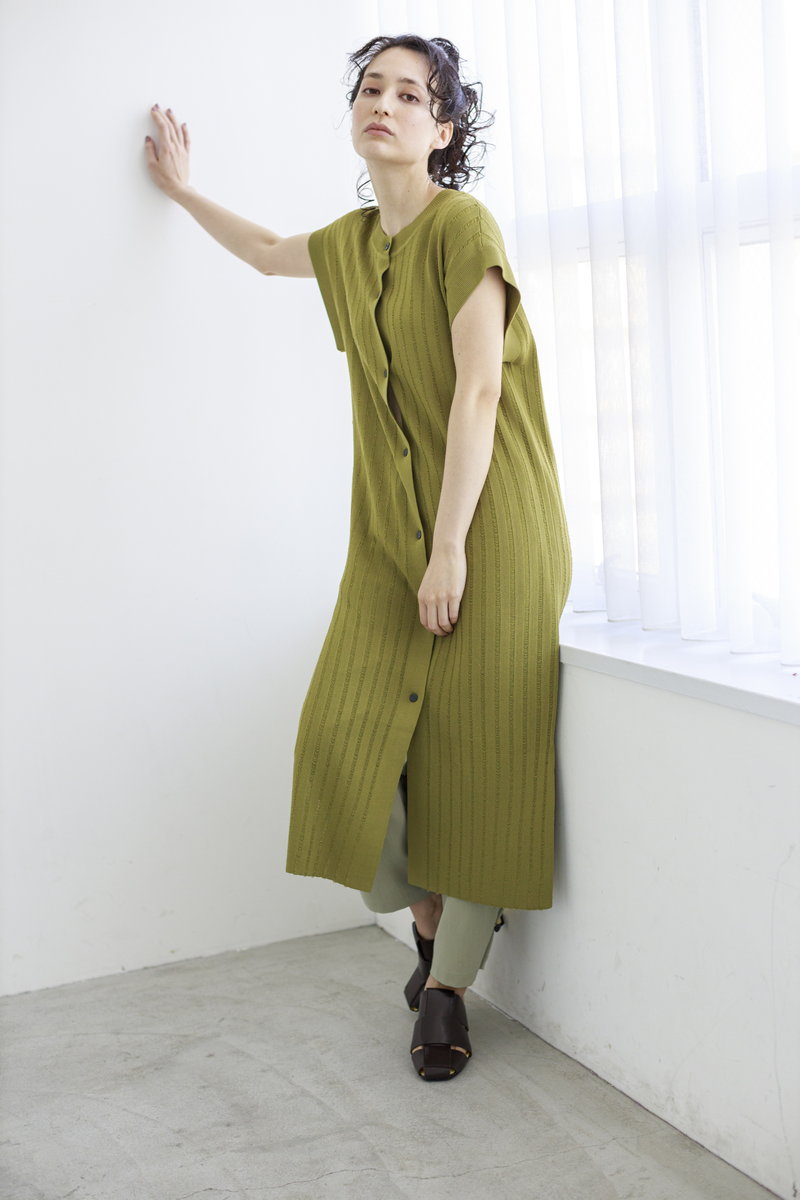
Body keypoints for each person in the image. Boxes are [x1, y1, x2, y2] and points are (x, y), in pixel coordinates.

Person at [145, 33, 572, 1083]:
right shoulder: (351, 242)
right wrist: (184, 192)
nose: (384, 103)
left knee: (481, 756)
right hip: (391, 536)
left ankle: (446, 991)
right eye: (370, 88)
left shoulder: (462, 226)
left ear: (444, 126)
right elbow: (265, 251)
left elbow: (479, 390)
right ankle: (431, 925)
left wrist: (451, 547)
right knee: (344, 737)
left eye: (410, 94)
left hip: (493, 528)